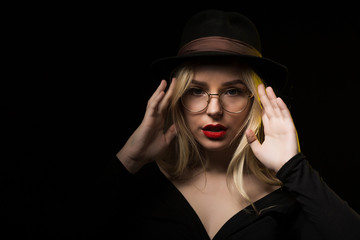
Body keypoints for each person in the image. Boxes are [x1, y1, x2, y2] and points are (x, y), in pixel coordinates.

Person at [92, 9, 360, 240]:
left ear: (256, 100)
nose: (214, 110)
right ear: (176, 99)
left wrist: (294, 168)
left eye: (232, 91)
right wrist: (129, 159)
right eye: (196, 91)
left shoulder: (286, 198)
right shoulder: (142, 184)